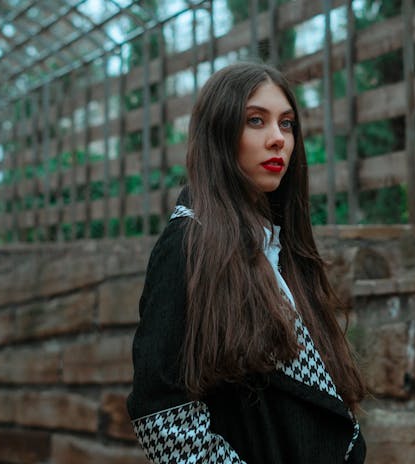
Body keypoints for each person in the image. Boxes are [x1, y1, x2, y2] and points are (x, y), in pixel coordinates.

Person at [127, 62, 367, 463]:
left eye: (287, 124)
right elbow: (160, 413)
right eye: (256, 121)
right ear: (219, 132)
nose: (278, 140)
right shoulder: (188, 243)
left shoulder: (279, 246)